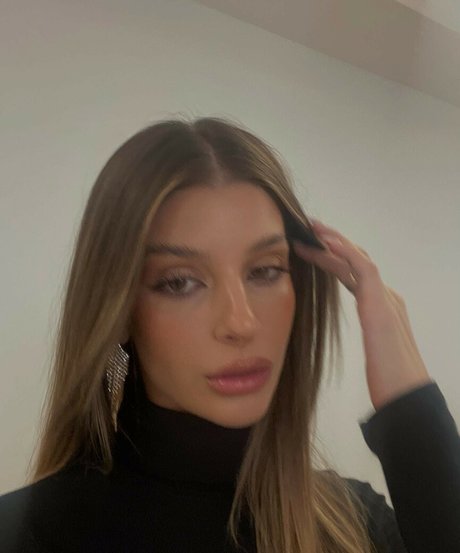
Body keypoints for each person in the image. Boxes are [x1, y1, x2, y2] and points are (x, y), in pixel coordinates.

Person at [0, 116, 458, 553]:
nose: (241, 323)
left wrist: (410, 404)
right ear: (118, 311)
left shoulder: (354, 522)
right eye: (179, 282)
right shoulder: (27, 535)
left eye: (265, 271)